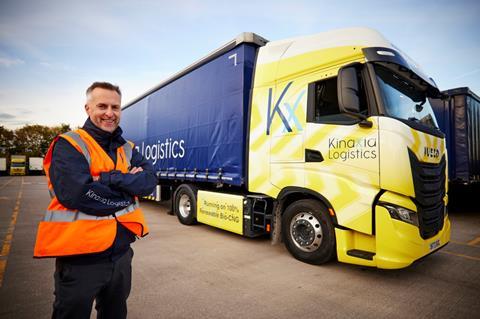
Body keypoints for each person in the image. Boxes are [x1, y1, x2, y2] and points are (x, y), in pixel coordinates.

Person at [33, 82, 157, 319]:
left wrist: (109, 178)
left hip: (120, 254)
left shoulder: (127, 148)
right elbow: (78, 194)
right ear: (88, 108)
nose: (110, 113)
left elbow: (149, 182)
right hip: (80, 258)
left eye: (115, 107)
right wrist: (126, 193)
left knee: (115, 314)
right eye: (102, 106)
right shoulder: (69, 144)